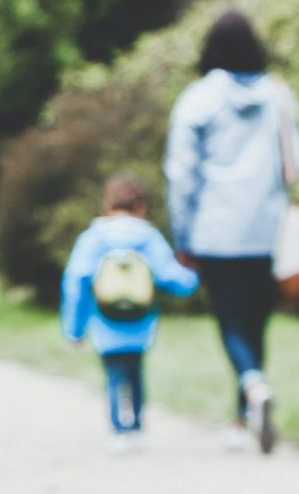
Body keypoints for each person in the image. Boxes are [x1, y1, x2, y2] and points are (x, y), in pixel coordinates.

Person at [163, 10, 299, 455]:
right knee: (256, 321)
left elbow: (181, 173)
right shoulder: (280, 96)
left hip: (215, 229)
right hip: (267, 228)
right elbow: (297, 162)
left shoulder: (198, 100)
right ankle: (244, 414)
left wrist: (181, 235)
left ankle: (251, 388)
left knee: (230, 321)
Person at [60, 173, 200, 454]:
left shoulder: (93, 238)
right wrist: (194, 276)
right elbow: (172, 277)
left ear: (107, 205)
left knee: (113, 376)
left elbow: (76, 282)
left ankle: (118, 431)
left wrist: (74, 329)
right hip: (140, 325)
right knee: (136, 375)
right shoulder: (148, 237)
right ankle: (136, 427)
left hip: (105, 324)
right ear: (141, 206)